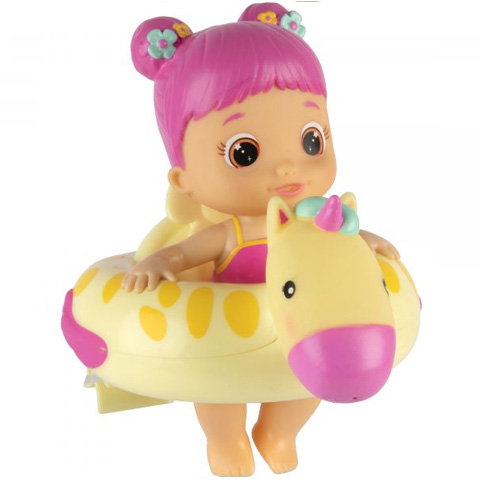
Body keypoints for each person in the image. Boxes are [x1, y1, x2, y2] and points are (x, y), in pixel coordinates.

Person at [123, 3, 399, 475]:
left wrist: (364, 242)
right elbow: (184, 252)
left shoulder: (318, 226)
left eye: (312, 140)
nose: (289, 167)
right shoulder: (232, 232)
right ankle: (225, 438)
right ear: (184, 179)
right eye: (245, 153)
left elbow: (341, 249)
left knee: (306, 387)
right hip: (223, 335)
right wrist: (160, 261)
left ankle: (278, 431)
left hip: (299, 330)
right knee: (216, 389)